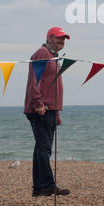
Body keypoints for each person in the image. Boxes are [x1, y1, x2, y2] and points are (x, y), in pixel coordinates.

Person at [24, 27, 70, 197]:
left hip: (50, 109)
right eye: (58, 38)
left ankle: (40, 188)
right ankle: (47, 186)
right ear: (49, 38)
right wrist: (38, 103)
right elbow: (34, 79)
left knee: (42, 148)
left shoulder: (53, 56)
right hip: (41, 109)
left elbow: (52, 84)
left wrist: (57, 113)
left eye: (63, 39)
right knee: (44, 148)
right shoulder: (42, 54)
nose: (62, 41)